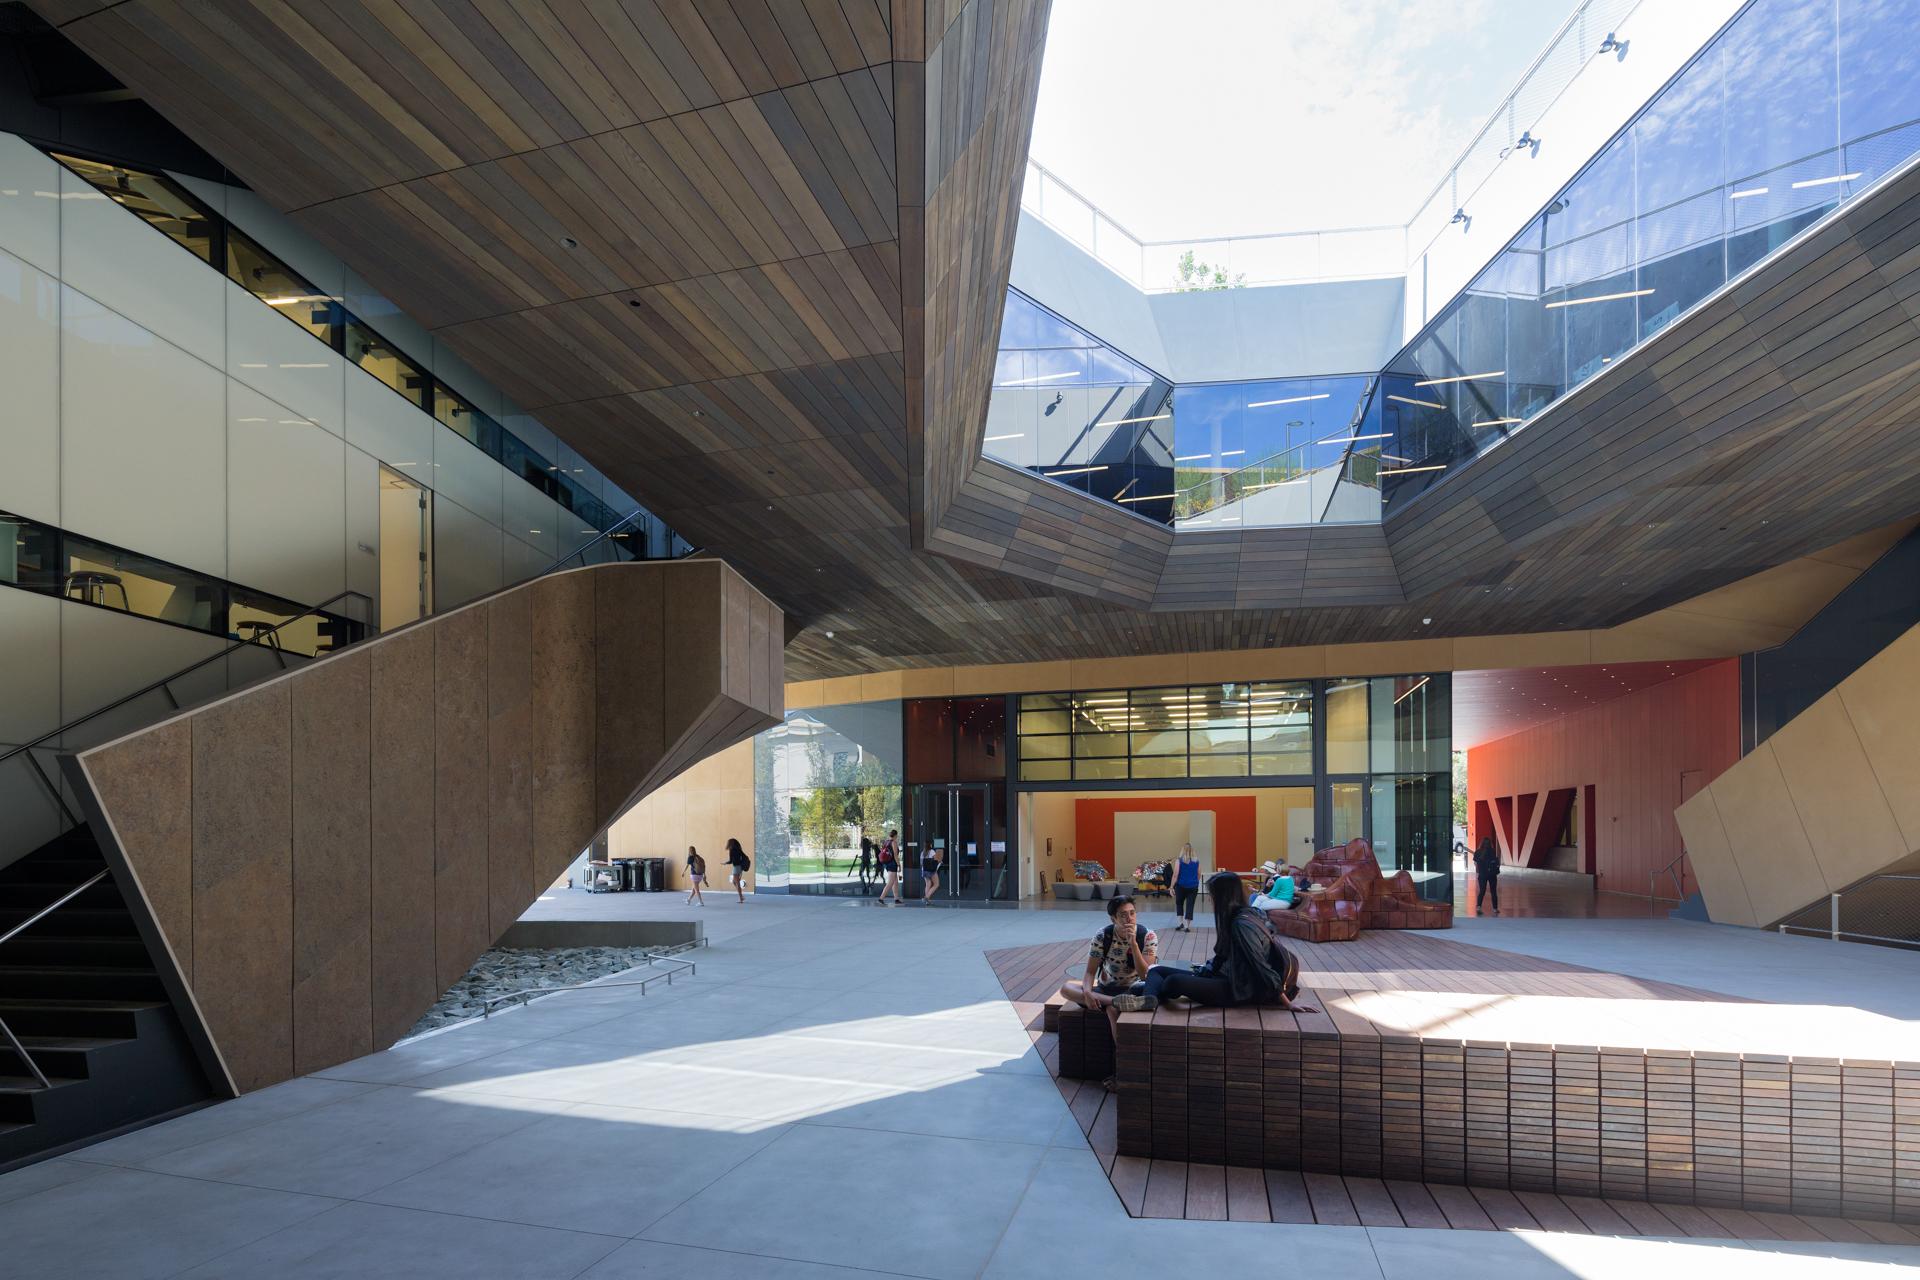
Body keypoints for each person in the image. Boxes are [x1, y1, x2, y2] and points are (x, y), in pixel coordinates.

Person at [1140, 871, 1316, 1011]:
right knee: (1156, 970)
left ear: (1223, 896)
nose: (1210, 899)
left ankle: (1146, 994)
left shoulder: (1242, 925)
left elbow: (1260, 965)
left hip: (1239, 989)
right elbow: (1222, 958)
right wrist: (1203, 973)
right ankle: (1149, 999)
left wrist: (1286, 1003)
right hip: (1225, 976)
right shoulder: (1237, 916)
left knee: (1173, 982)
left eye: (1213, 895)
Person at [1058, 896, 1159, 1085]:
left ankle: (1121, 1073)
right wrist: (1087, 992)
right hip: (1106, 990)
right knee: (1066, 988)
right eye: (1123, 915)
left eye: (1132, 913)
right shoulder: (1103, 935)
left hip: (1135, 990)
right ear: (1113, 919)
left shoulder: (1147, 936)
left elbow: (1146, 975)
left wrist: (1133, 945)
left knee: (1113, 1011)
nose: (1129, 919)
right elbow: (1089, 972)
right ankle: (1113, 1001)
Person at [1170, 843, 1201, 932]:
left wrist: (1171, 887)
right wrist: (1195, 882)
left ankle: (1180, 923)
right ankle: (1187, 926)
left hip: (1181, 886)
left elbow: (1175, 875)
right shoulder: (1197, 861)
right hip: (1193, 887)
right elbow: (1199, 874)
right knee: (1190, 905)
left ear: (1182, 850)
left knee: (1179, 903)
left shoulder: (1179, 861)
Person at [1473, 835, 1501, 915]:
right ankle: (1495, 909)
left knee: (1482, 891)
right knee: (1493, 892)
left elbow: (1475, 863)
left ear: (1481, 843)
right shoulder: (1492, 851)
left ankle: (1478, 907)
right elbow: (1495, 861)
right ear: (1490, 844)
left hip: (1482, 874)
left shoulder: (1478, 852)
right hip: (1492, 874)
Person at [876, 828, 901, 905]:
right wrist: (899, 865)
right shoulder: (893, 842)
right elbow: (895, 855)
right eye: (897, 836)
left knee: (895, 882)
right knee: (890, 882)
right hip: (892, 864)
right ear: (895, 835)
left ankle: (896, 899)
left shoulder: (886, 842)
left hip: (887, 863)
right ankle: (881, 898)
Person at [725, 837, 751, 903]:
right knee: (735, 882)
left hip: (736, 867)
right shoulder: (739, 850)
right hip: (740, 867)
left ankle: (741, 898)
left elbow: (730, 861)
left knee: (737, 883)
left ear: (730, 844)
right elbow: (745, 856)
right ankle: (741, 896)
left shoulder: (731, 850)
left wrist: (725, 863)